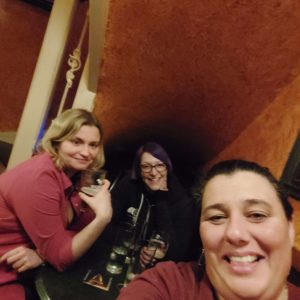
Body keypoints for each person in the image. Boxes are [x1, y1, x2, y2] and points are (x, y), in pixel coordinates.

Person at [117, 159, 300, 300]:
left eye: (257, 215)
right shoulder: (169, 285)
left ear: (290, 229)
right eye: (216, 217)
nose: (234, 233)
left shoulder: (177, 198)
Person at [0, 109, 112, 300]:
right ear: (57, 141)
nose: (86, 153)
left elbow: (77, 230)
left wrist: (42, 254)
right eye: (76, 142)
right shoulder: (40, 176)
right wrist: (103, 217)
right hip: (6, 274)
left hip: (24, 271)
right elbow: (60, 257)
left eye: (93, 145)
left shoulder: (73, 175)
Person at [106, 142, 196, 267]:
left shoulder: (182, 200)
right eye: (146, 166)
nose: (153, 173)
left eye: (160, 165)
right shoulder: (128, 185)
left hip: (156, 268)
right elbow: (105, 223)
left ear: (167, 167)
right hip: (119, 256)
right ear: (138, 169)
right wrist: (137, 247)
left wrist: (161, 201)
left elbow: (177, 253)